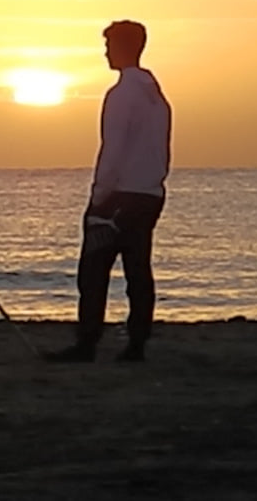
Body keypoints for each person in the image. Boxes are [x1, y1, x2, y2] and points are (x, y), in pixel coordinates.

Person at [48, 19, 172, 363]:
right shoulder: (156, 98)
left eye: (109, 46)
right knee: (137, 270)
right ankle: (137, 343)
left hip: (121, 195)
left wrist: (99, 194)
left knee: (93, 269)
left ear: (122, 48)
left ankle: (88, 342)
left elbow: (112, 149)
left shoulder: (121, 95)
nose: (105, 52)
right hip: (149, 193)